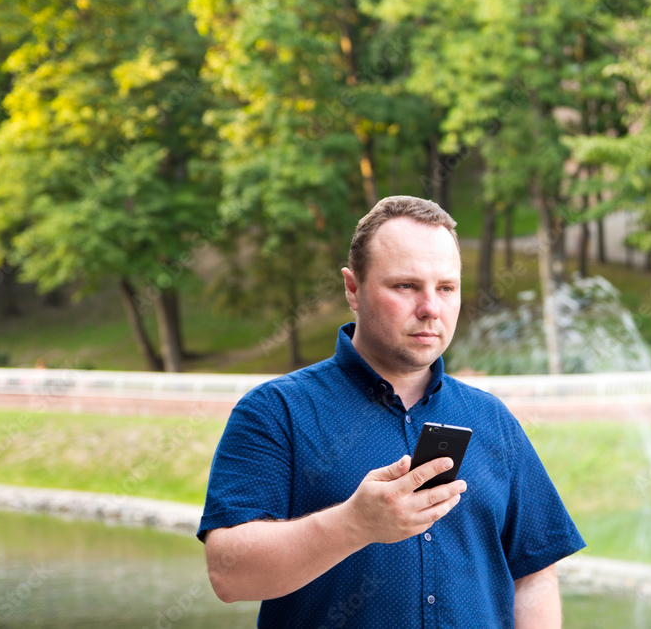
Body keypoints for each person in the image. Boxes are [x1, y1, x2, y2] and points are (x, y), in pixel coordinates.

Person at [199, 196, 585, 627]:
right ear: (353, 289)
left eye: (446, 288)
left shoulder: (492, 419)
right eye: (406, 286)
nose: (431, 308)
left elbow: (535, 573)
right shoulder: (275, 412)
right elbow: (228, 575)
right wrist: (353, 524)